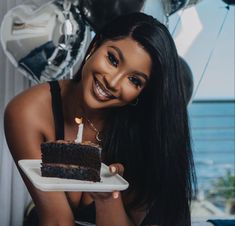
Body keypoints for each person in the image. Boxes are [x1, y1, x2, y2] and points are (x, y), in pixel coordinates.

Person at [4, 12, 196, 226]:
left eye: (134, 80)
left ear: (142, 93)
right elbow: (58, 220)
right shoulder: (28, 112)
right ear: (94, 47)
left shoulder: (144, 136)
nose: (113, 82)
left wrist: (107, 197)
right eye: (112, 59)